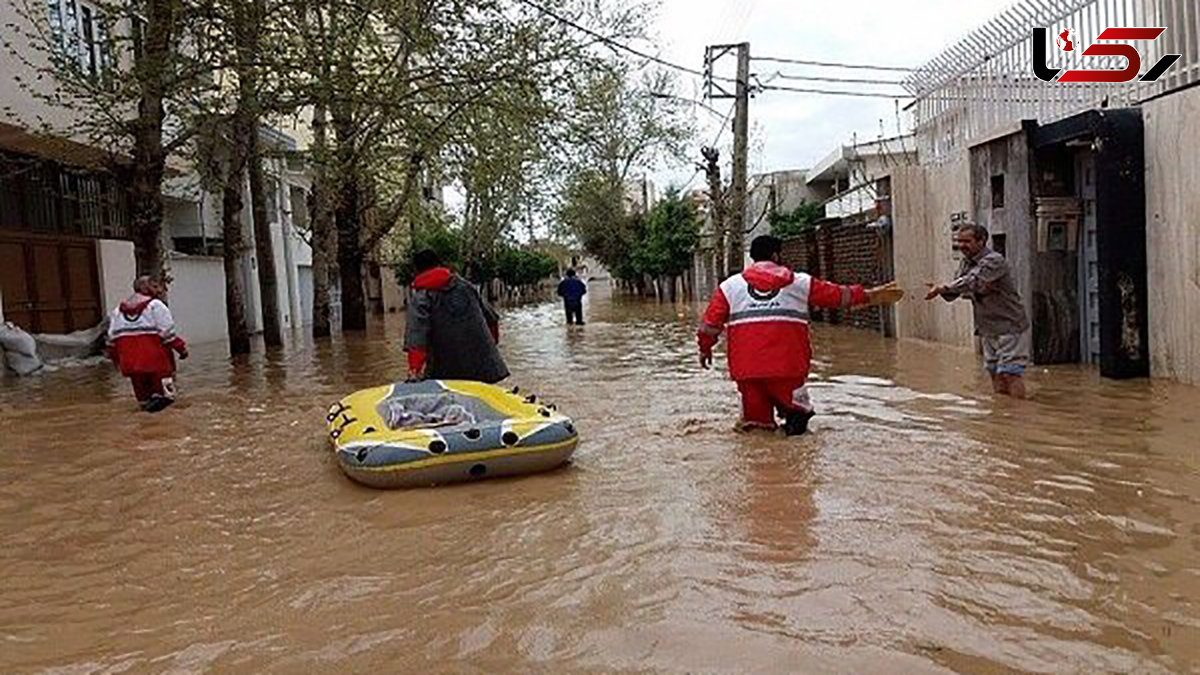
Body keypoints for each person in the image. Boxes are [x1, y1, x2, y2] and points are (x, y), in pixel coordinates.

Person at [698, 235, 900, 435]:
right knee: (798, 423)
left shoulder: (729, 288)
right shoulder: (801, 283)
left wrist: (705, 349)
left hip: (747, 372)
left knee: (756, 430)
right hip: (788, 369)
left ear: (752, 257)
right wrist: (868, 294)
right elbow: (837, 295)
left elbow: (709, 325)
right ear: (776, 255)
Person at [925, 223, 1031, 399]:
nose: (961, 246)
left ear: (982, 241)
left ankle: (1019, 415)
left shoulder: (994, 260)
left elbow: (971, 281)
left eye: (966, 241)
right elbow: (958, 288)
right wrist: (944, 290)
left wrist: (943, 288)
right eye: (959, 242)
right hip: (988, 327)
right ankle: (1004, 414)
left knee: (1011, 373)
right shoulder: (966, 263)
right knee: (994, 372)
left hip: (1010, 326)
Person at [404, 249, 509, 384]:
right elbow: (492, 319)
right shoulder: (466, 286)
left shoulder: (421, 298)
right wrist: (491, 347)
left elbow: (416, 341)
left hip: (447, 373)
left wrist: (413, 372)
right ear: (440, 264)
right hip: (485, 368)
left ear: (416, 271)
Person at [106, 275, 188, 412]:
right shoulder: (156, 306)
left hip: (132, 366)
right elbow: (168, 334)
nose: (161, 290)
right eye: (155, 286)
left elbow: (112, 341)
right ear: (144, 288)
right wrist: (182, 349)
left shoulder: (117, 312)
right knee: (168, 401)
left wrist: (116, 361)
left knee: (143, 404)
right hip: (157, 364)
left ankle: (145, 430)